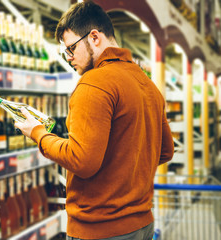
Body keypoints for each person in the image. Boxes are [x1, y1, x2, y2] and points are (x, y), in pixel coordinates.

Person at [14, 1, 174, 239]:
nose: (68, 58)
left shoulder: (94, 83)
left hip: (99, 229)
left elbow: (82, 160)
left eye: (71, 49)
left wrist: (38, 133)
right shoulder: (147, 84)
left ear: (95, 37)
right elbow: (165, 151)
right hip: (142, 225)